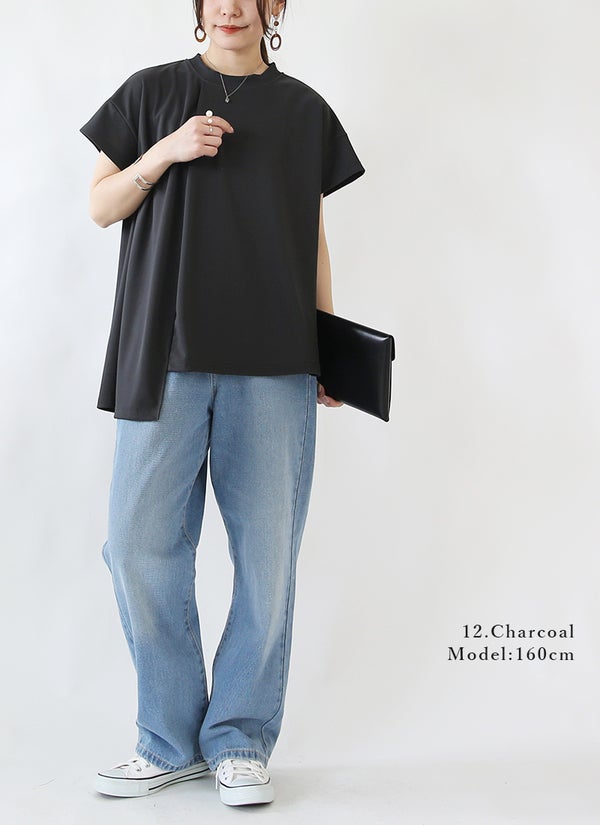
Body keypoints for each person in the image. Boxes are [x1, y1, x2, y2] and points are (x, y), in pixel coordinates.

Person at [80, 0, 365, 807]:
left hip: (275, 361)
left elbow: (311, 237)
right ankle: (169, 738)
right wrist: (165, 151)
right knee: (135, 543)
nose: (232, 6)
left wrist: (329, 346)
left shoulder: (304, 110)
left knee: (267, 562)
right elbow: (100, 204)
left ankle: (238, 738)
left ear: (276, 7)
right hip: (164, 357)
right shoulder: (151, 92)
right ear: (200, 8)